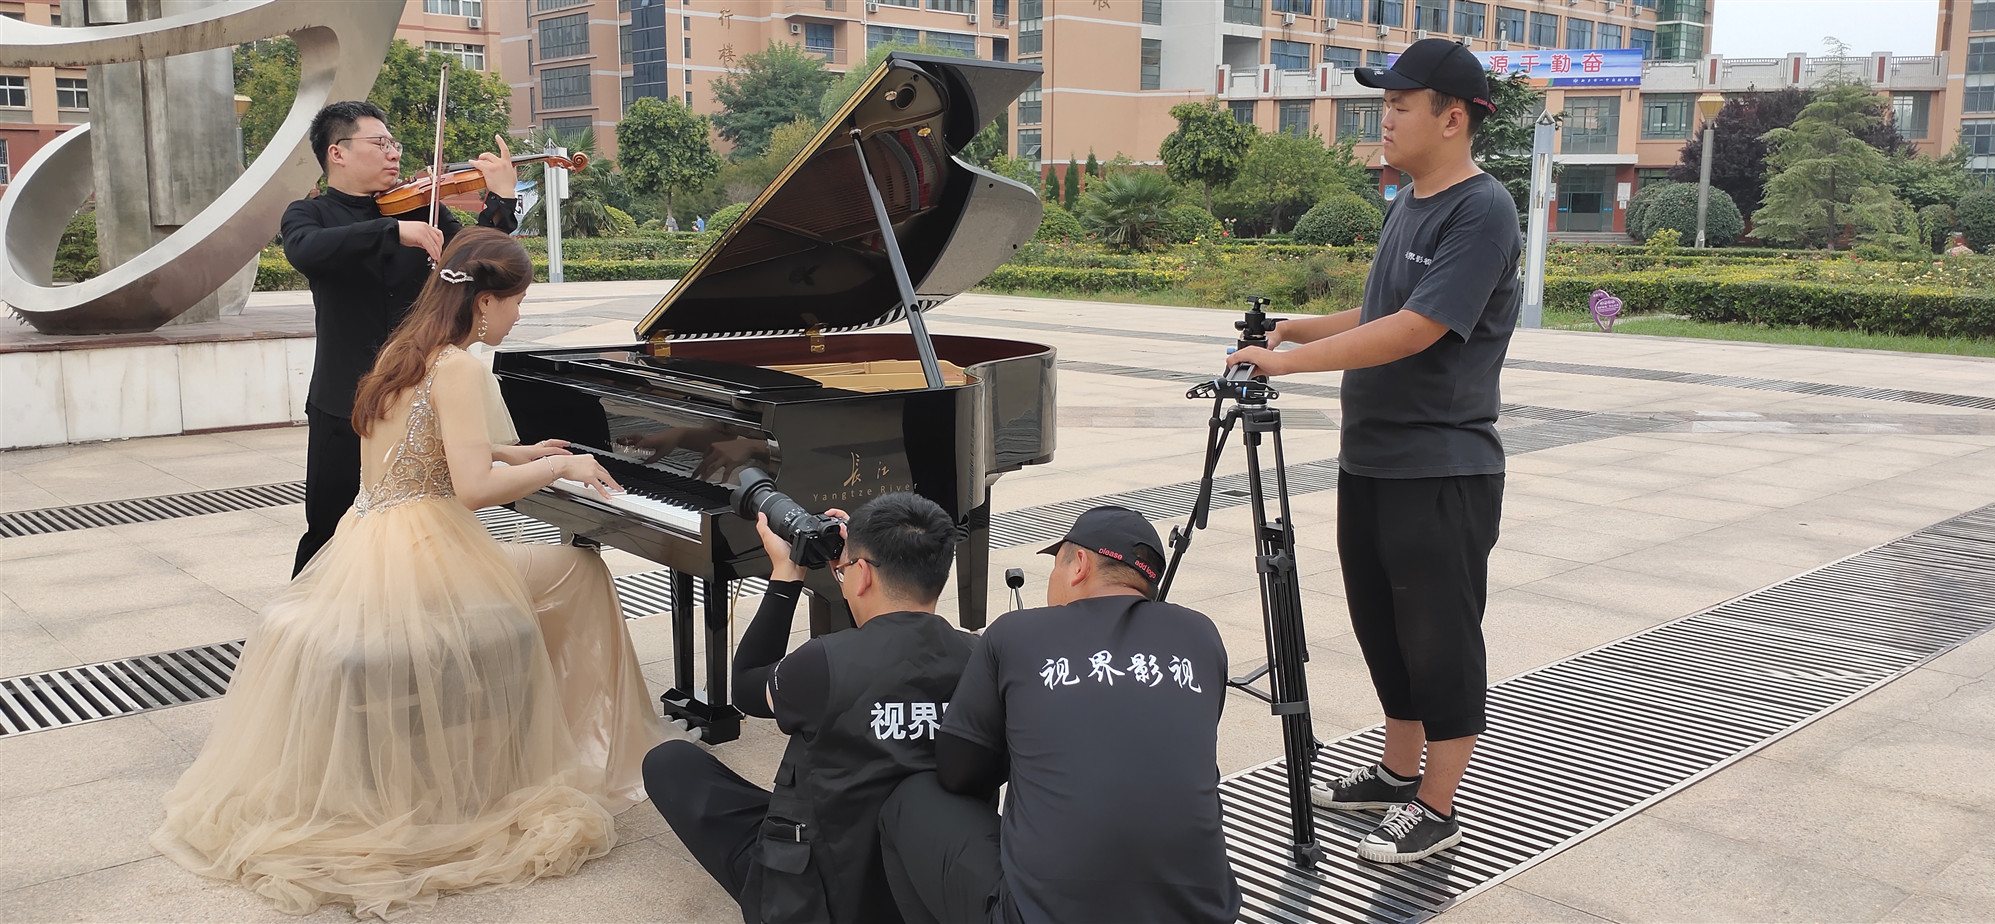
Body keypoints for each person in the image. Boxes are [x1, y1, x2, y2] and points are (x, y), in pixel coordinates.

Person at [152, 230, 667, 919]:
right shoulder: (459, 367)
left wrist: (525, 452)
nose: (518, 317)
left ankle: (508, 746)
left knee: (562, 572)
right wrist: (562, 466)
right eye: (518, 302)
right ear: (485, 302)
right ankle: (532, 762)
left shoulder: (407, 350)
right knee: (579, 572)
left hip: (376, 542)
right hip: (426, 558)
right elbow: (474, 489)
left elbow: (438, 454)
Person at [1224, 38, 1518, 865]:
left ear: (1452, 117)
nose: (1383, 118)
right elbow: (1379, 308)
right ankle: (1396, 772)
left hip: (1443, 467)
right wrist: (1295, 329)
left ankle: (1437, 803)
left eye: (1400, 105)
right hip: (1376, 460)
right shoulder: (1409, 201)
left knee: (1440, 639)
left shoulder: (1481, 208)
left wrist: (1285, 364)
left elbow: (1418, 329)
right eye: (1383, 104)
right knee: (1382, 627)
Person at [877, 506, 1241, 924]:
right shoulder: (1201, 636)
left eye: (1055, 563)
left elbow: (958, 772)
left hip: (1042, 915)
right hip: (1203, 913)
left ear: (1079, 564)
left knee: (910, 798)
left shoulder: (1016, 633)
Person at [643, 492, 975, 924]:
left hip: (822, 894)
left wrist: (786, 574)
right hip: (933, 881)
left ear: (863, 576)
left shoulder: (822, 663)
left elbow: (744, 687)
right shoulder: (982, 657)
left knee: (669, 762)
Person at [284, 100, 521, 576]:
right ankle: (312, 633)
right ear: (338, 153)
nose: (394, 153)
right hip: (342, 401)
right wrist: (393, 230)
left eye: (394, 143)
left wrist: (501, 199)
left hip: (419, 401)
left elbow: (480, 257)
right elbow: (307, 251)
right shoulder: (309, 215)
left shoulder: (422, 206)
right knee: (329, 530)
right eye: (381, 143)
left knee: (416, 530)